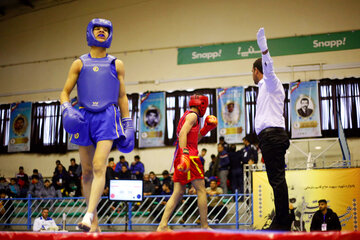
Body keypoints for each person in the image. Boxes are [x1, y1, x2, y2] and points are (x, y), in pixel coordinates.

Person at [60, 18, 134, 232]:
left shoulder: (116, 63)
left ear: (110, 34)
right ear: (89, 33)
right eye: (97, 28)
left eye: (105, 29)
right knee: (87, 171)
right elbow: (64, 92)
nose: (101, 31)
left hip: (107, 116)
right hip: (83, 116)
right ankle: (95, 225)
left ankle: (88, 214)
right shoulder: (79, 63)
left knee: (100, 166)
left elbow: (122, 96)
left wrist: (127, 122)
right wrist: (67, 108)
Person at [157, 94, 217, 231]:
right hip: (190, 157)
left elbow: (193, 140)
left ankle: (162, 225)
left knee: (178, 192)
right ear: (202, 105)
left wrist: (206, 129)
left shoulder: (186, 115)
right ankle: (205, 226)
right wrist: (185, 154)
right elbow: (183, 133)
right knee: (201, 190)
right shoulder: (193, 116)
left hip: (181, 155)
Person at [253, 28, 291, 231]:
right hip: (269, 138)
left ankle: (283, 222)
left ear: (256, 71)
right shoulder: (263, 90)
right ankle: (282, 218)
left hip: (273, 136)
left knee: (277, 180)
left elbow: (269, 69)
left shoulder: (271, 83)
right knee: (275, 180)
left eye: (252, 71)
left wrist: (264, 50)